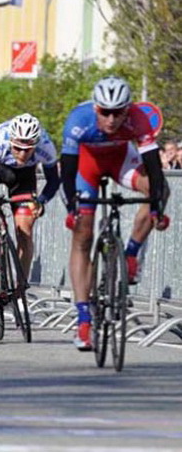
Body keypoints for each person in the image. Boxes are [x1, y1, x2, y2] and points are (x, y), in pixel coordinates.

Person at [61, 76, 169, 351]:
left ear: (127, 109)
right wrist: (72, 208)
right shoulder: (78, 119)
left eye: (118, 112)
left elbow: (154, 168)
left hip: (121, 161)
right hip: (87, 168)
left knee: (158, 188)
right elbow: (68, 172)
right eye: (105, 112)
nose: (111, 119)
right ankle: (84, 320)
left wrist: (158, 206)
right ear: (96, 108)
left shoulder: (138, 120)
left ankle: (131, 253)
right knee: (83, 235)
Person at [0, 114, 60, 286]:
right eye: (17, 148)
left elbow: (53, 181)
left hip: (23, 178)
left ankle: (20, 288)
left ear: (36, 145)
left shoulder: (46, 147)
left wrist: (41, 201)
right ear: (11, 141)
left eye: (28, 149)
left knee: (25, 231)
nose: (22, 154)